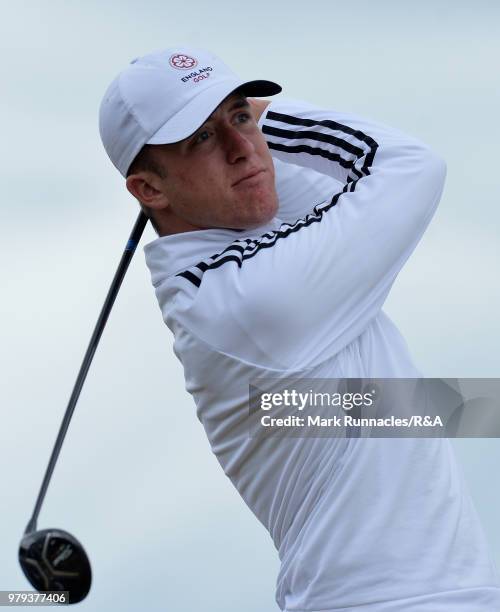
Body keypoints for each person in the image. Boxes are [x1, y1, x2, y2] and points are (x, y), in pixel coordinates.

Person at [99, 46, 500, 611]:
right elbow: (412, 165)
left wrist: (483, 407)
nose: (244, 150)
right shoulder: (247, 303)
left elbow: (377, 414)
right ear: (149, 190)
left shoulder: (235, 241)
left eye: (240, 117)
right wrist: (273, 118)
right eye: (203, 140)